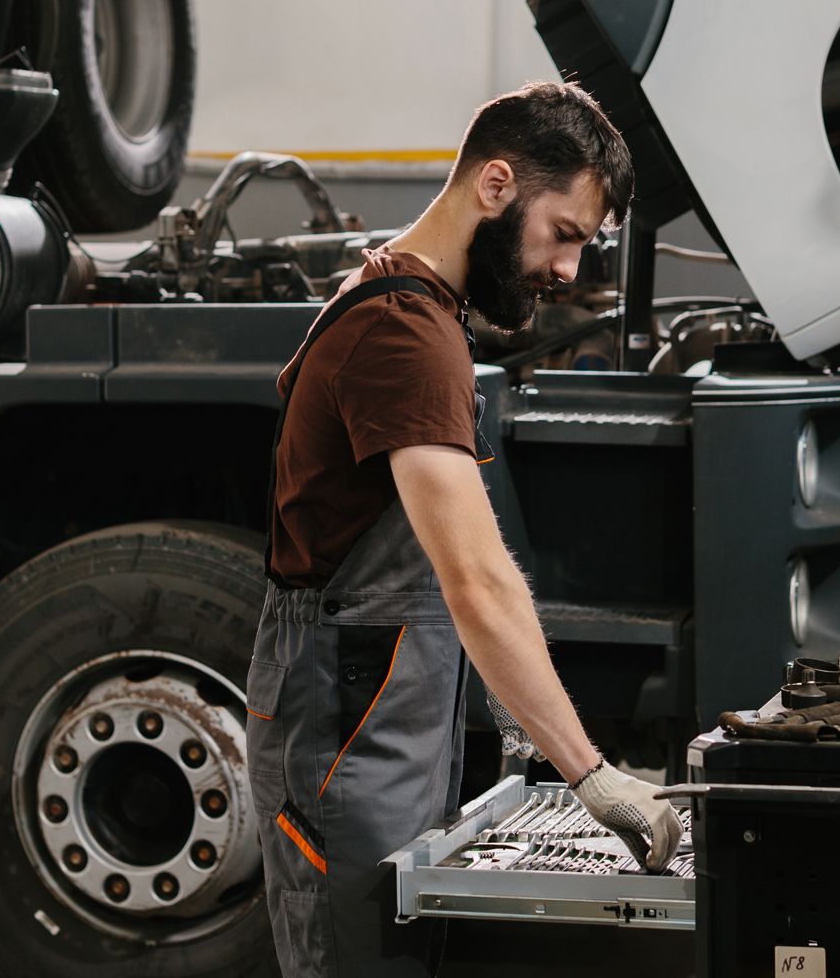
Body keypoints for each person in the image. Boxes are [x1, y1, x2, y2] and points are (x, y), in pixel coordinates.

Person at [245, 80, 683, 976]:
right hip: (345, 724)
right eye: (564, 233)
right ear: (494, 186)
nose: (568, 271)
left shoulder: (402, 298)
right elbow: (475, 580)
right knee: (354, 957)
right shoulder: (405, 335)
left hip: (374, 711)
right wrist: (588, 774)